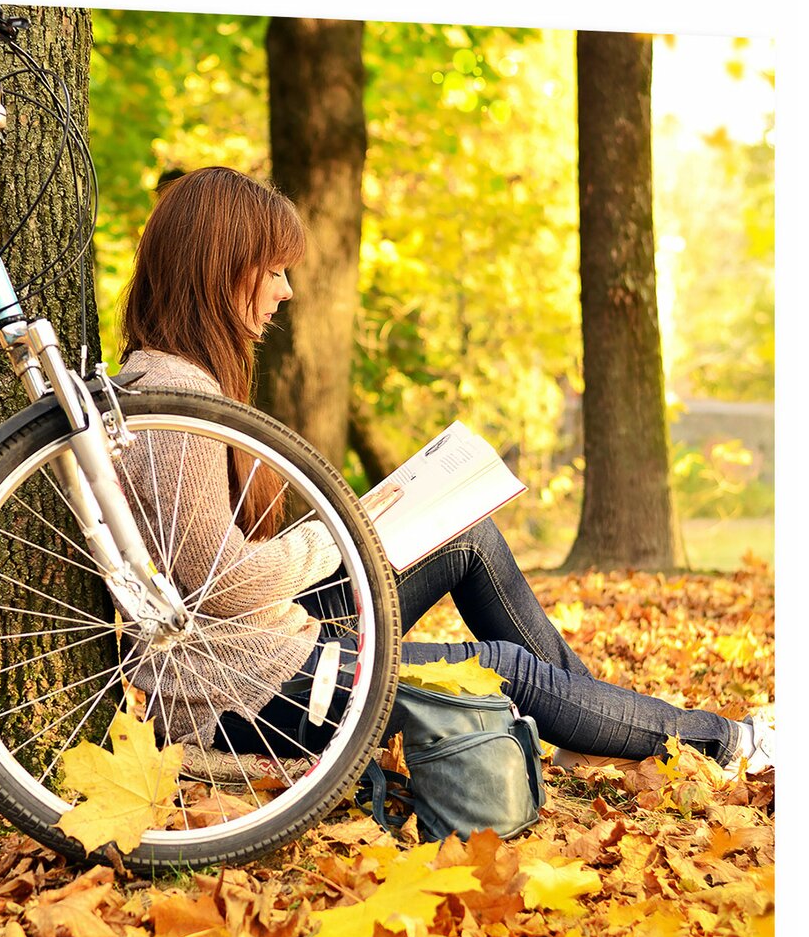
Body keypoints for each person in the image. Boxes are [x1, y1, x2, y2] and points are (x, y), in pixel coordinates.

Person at [116, 165, 774, 779]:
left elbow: (207, 577)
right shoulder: (179, 401)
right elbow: (227, 582)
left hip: (263, 650)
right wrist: (347, 528)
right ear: (220, 271)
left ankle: (589, 721)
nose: (286, 291)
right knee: (507, 671)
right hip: (252, 689)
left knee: (468, 538)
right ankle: (726, 742)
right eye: (274, 271)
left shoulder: (172, 381)